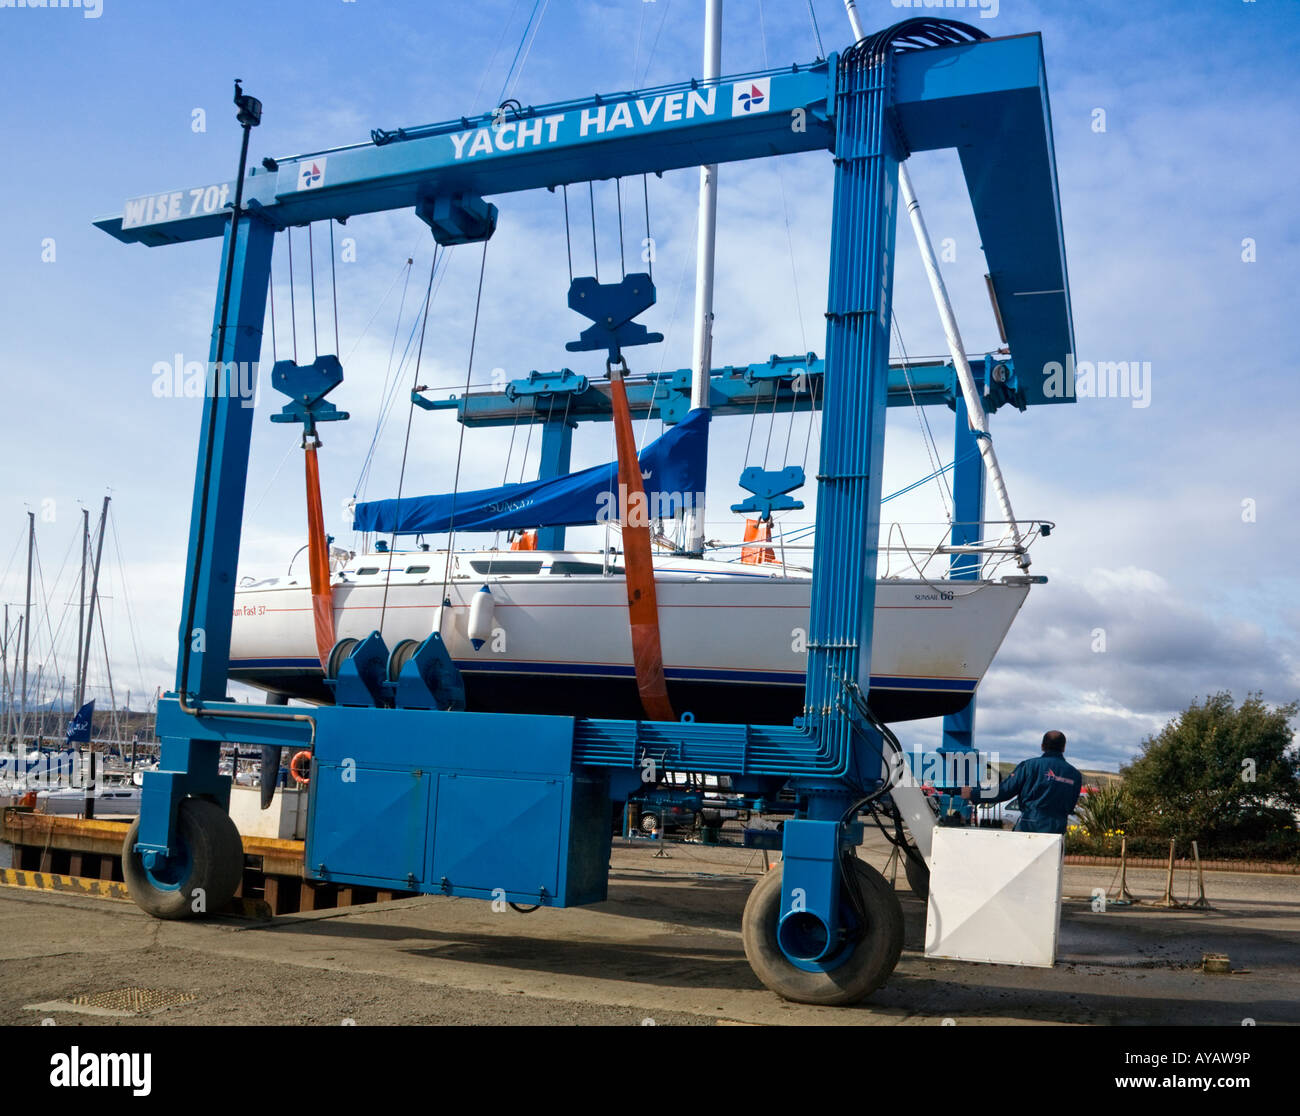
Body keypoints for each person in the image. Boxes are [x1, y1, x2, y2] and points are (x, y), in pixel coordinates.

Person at [962, 730, 1083, 834]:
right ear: (1064, 748)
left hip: (1030, 824)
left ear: (1042, 746)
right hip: (1058, 828)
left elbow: (1004, 791)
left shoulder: (1029, 766)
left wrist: (973, 794)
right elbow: (1071, 805)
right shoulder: (1075, 775)